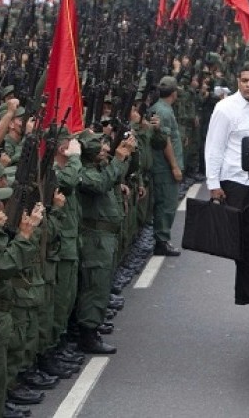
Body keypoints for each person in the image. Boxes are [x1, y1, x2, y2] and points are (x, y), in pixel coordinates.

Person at [204, 63, 249, 323]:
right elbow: (214, 146)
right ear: (238, 81)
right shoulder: (225, 109)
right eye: (244, 80)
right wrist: (214, 184)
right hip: (236, 181)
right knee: (244, 242)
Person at [76, 130, 136, 355]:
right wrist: (119, 159)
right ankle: (88, 334)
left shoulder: (99, 168)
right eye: (99, 147)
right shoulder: (85, 172)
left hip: (105, 236)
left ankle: (92, 326)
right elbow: (100, 184)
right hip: (94, 237)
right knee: (94, 287)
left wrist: (124, 156)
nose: (106, 150)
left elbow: (112, 176)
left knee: (100, 286)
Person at [149, 76, 183, 257]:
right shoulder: (164, 111)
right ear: (174, 93)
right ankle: (162, 241)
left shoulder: (161, 109)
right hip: (164, 167)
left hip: (163, 166)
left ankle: (162, 239)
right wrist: (175, 167)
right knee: (167, 205)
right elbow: (166, 142)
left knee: (166, 204)